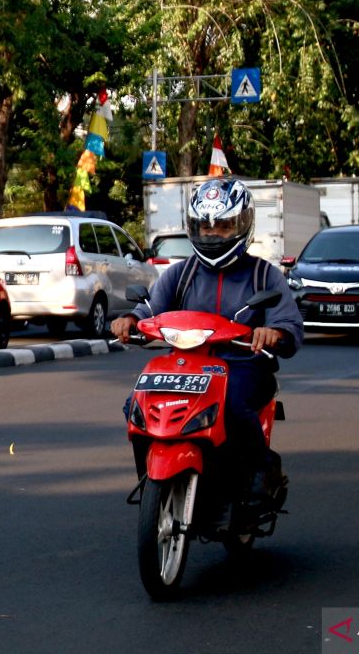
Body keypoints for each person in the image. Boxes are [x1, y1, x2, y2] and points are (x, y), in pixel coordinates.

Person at [111, 177, 304, 509]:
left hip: (242, 366)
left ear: (243, 225)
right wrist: (130, 320)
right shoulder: (181, 273)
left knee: (232, 406)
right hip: (186, 366)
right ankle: (150, 478)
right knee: (136, 405)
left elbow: (288, 324)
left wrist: (275, 332)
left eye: (224, 226)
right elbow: (151, 308)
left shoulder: (263, 275)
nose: (213, 235)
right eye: (205, 226)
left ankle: (262, 468)